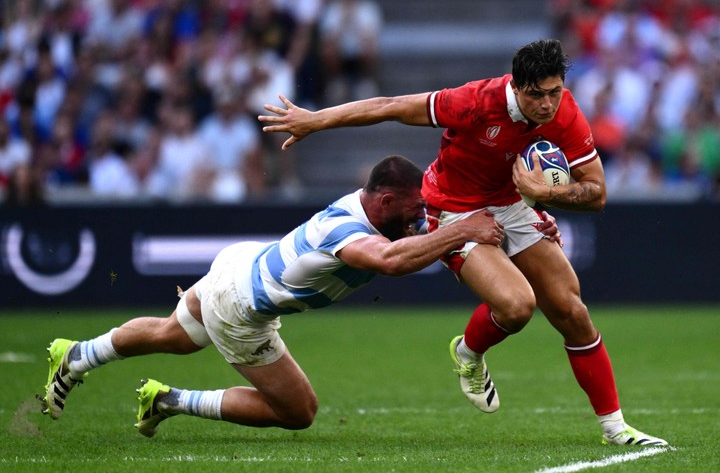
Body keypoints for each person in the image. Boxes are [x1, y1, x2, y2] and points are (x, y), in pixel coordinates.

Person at [258, 39, 667, 447]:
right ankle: (469, 353)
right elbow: (389, 106)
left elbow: (597, 194)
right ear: (516, 86)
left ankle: (616, 428)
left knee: (572, 311)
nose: (547, 104)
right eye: (537, 95)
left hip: (515, 204)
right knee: (517, 305)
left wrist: (546, 196)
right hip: (454, 211)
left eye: (555, 92)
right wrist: (316, 120)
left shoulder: (566, 112)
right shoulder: (474, 101)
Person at [40, 155, 561, 437]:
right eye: (410, 209)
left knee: (170, 334)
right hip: (240, 309)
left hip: (241, 264)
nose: (419, 217)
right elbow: (390, 262)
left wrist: (528, 223)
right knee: (299, 412)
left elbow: (437, 228)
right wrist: (460, 232)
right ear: (382, 201)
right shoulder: (347, 232)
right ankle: (170, 400)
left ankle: (78, 355)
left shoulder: (381, 212)